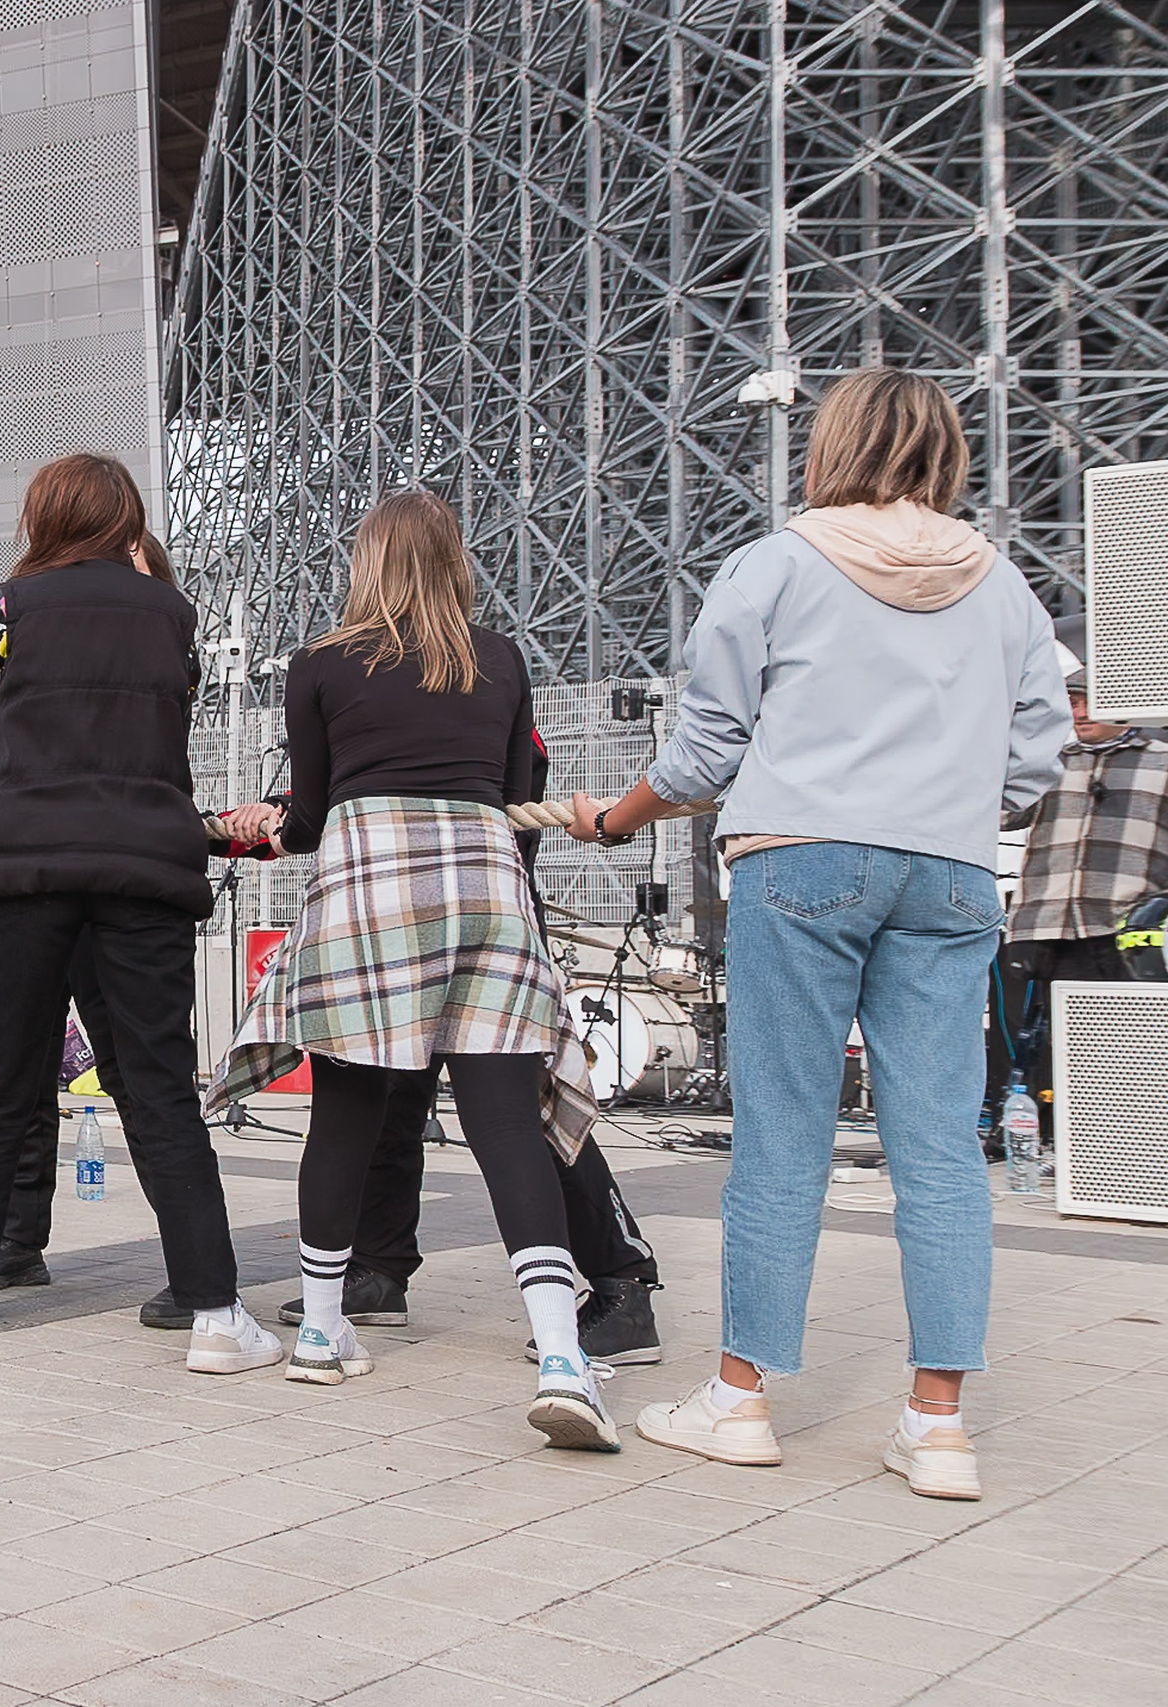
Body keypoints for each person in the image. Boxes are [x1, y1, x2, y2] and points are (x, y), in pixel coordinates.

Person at [570, 367, 1069, 1499]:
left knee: (783, 1136)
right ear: (944, 452)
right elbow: (1037, 755)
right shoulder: (1004, 589)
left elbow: (705, 753)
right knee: (939, 1148)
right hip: (948, 874)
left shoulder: (780, 565)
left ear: (831, 444)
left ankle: (740, 1400)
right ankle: (937, 1426)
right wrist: (949, 807)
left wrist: (615, 818)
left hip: (801, 860)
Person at [207, 489, 616, 1450]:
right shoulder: (499, 658)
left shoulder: (318, 664)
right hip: (483, 889)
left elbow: (311, 819)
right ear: (452, 562)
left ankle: (320, 1329)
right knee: (506, 1122)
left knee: (347, 1108)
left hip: (369, 890)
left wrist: (250, 825)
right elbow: (512, 795)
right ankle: (562, 1355)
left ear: (369, 562)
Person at [0, 452, 278, 1376]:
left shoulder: (13, 606)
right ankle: (216, 1314)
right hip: (144, 871)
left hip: (29, 871)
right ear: (126, 520)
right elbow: (172, 717)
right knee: (158, 1086)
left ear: (46, 515)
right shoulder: (172, 614)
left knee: (1, 1082)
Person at [995, 666, 1168, 1139]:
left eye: (1090, 700)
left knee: (1128, 1046)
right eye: (1072, 701)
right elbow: (1003, 814)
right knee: (1049, 1045)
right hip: (1048, 924)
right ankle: (1053, 1140)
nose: (1080, 711)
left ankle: (1127, 1141)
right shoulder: (1050, 762)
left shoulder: (1161, 761)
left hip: (1126, 928)